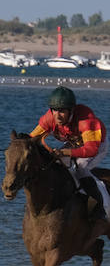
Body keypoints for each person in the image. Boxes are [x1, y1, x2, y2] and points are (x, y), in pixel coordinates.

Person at [31, 85, 108, 220]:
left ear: (71, 110)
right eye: (54, 110)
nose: (57, 115)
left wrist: (65, 152)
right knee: (54, 164)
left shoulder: (85, 121)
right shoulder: (49, 118)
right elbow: (31, 139)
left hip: (96, 145)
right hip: (75, 143)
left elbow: (91, 150)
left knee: (80, 167)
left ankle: (99, 208)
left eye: (62, 111)